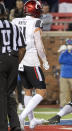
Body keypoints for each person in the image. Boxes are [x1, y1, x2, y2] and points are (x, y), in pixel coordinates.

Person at [12, 0, 49, 130]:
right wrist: (44, 60)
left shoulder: (15, 21)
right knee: (41, 91)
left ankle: (31, 120)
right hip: (31, 58)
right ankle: (21, 117)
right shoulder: (36, 22)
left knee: (28, 91)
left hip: (19, 58)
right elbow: (38, 44)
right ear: (35, 9)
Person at [0, 3, 26, 131]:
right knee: (9, 93)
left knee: (1, 95)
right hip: (13, 60)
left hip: (1, 59)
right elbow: (22, 48)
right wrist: (16, 62)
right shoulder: (14, 27)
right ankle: (15, 125)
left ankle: (3, 126)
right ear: (4, 13)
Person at [59, 39, 72, 108]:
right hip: (63, 75)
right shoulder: (63, 53)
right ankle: (63, 105)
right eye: (68, 44)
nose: (69, 46)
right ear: (66, 45)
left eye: (70, 44)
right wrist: (69, 59)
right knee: (63, 91)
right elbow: (61, 60)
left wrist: (67, 60)